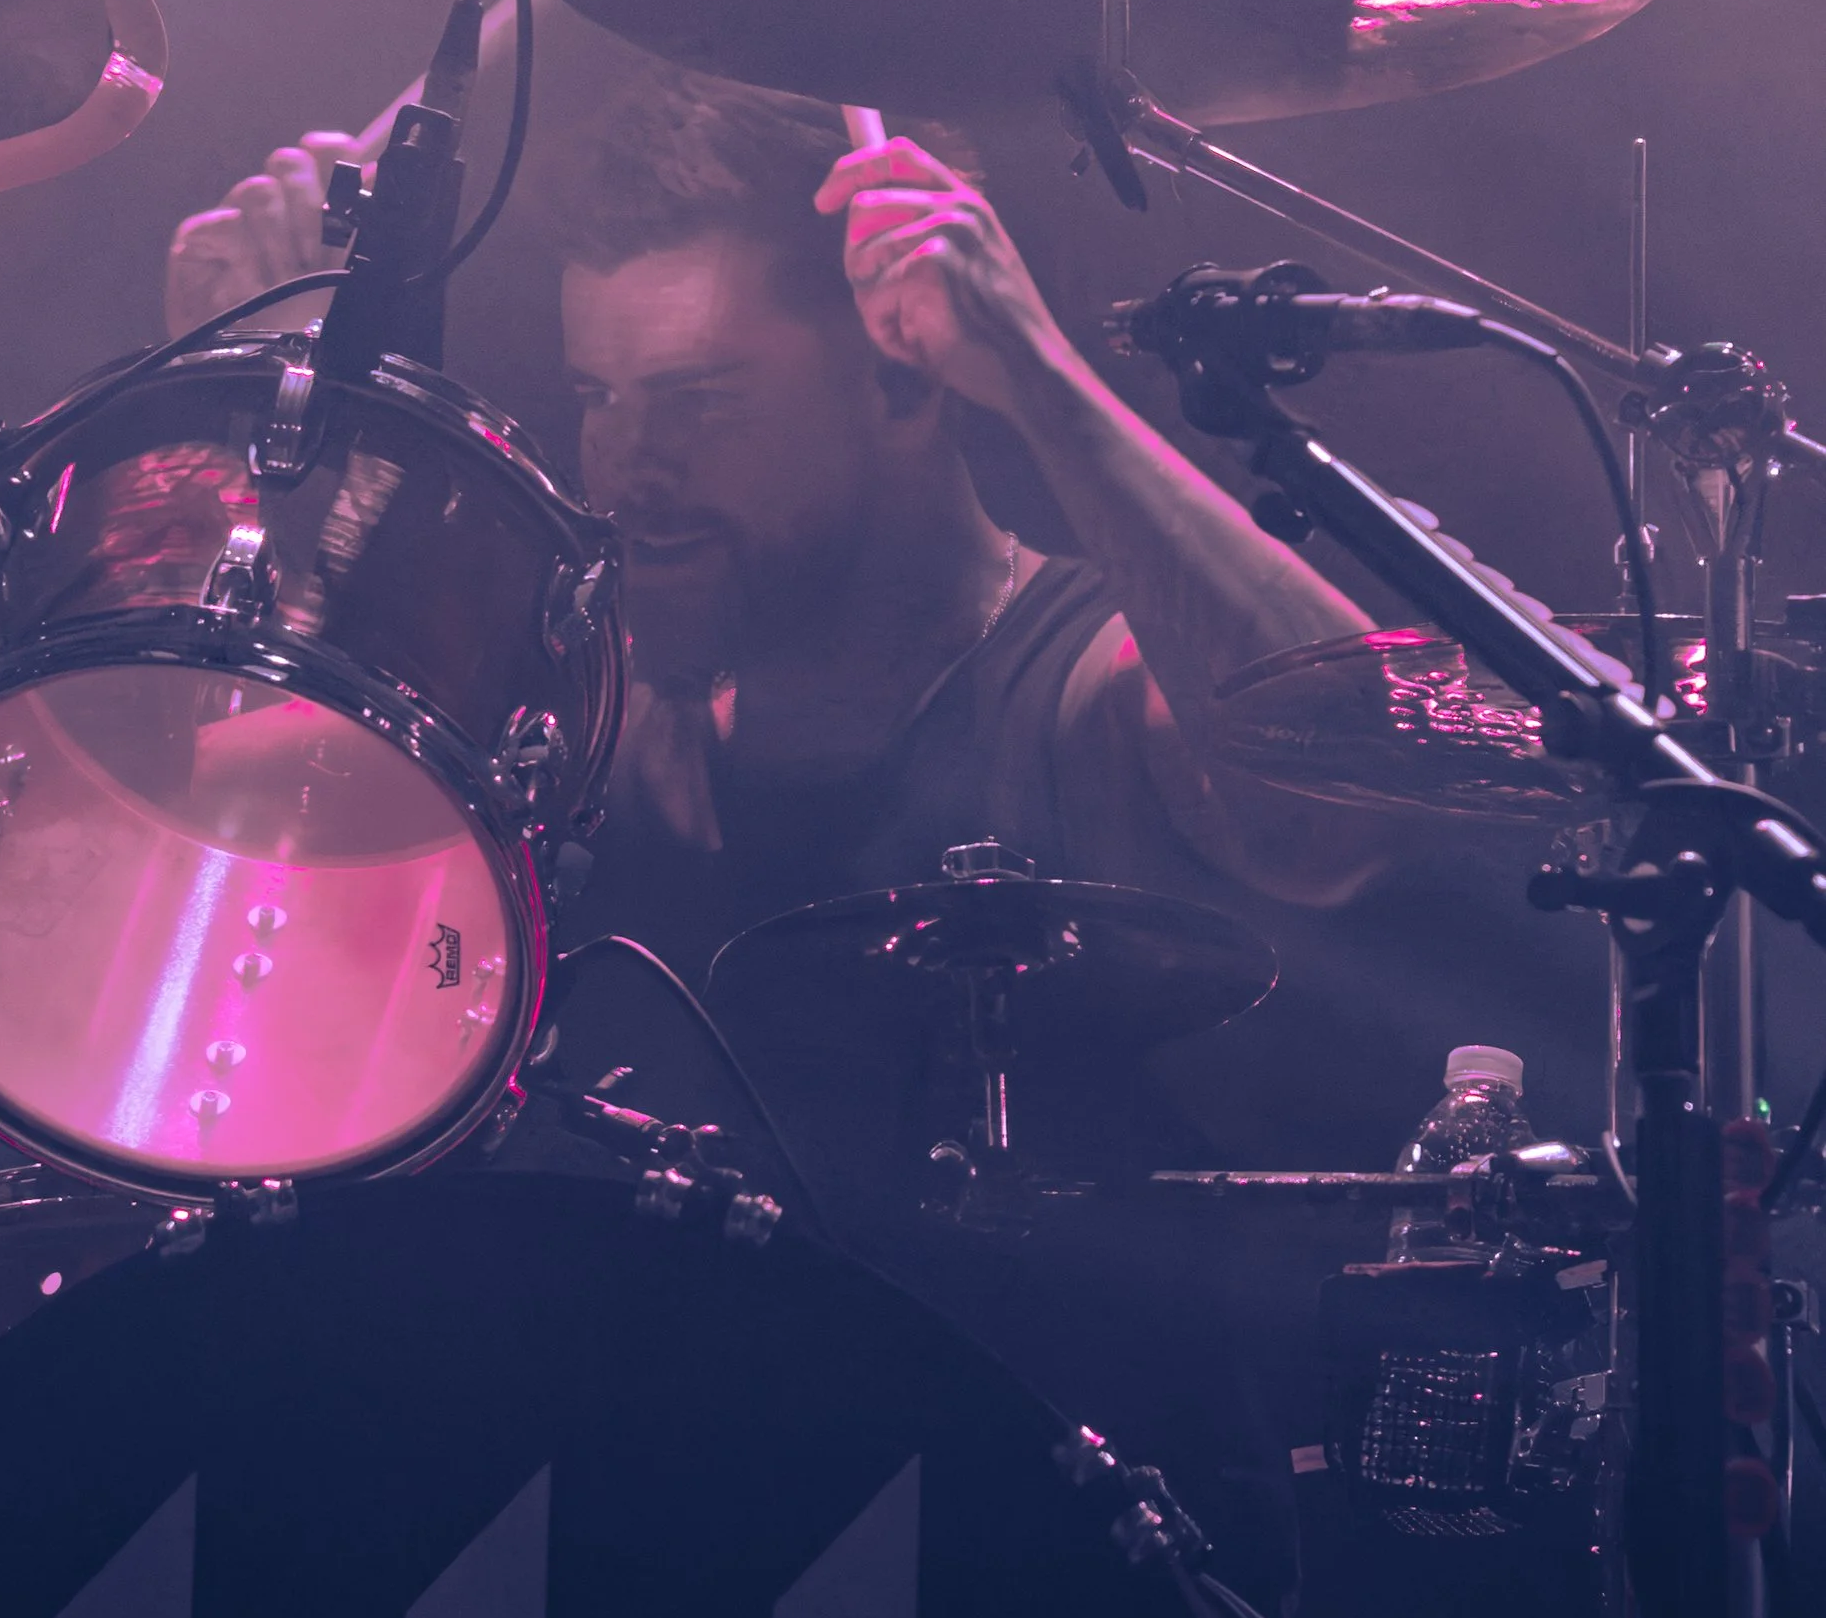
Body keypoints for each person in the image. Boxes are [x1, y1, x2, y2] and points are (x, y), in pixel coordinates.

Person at [169, 70, 1382, 982]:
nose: (629, 465)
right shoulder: (603, 721)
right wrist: (253, 403)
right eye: (600, 397)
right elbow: (200, 798)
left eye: (699, 400)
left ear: (904, 382)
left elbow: (1353, 796)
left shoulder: (1087, 684)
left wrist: (1034, 373)